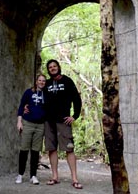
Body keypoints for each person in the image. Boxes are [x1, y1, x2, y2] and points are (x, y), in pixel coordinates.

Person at [44, 59, 83, 189]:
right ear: (48, 70)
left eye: (54, 66)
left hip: (63, 120)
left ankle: (75, 178)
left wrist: (75, 116)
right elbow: (37, 97)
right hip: (49, 121)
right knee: (52, 148)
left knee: (69, 148)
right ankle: (55, 176)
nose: (53, 68)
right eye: (50, 67)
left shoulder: (67, 81)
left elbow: (77, 99)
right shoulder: (47, 83)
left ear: (59, 67)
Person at [15, 74, 47, 185]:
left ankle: (33, 175)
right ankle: (20, 174)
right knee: (24, 149)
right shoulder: (28, 92)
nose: (42, 82)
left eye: (43, 81)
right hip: (28, 123)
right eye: (40, 80)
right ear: (36, 81)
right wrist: (19, 121)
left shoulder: (46, 94)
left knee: (35, 151)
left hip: (40, 125)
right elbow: (21, 106)